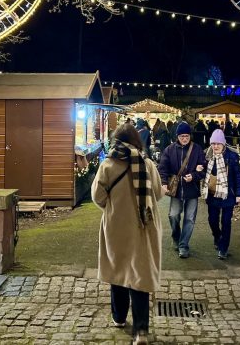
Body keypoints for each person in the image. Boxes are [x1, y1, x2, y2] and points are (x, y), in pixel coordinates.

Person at [91, 123, 163, 345]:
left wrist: (113, 207)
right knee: (139, 275)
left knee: (118, 269)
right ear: (137, 140)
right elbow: (158, 193)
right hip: (143, 226)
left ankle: (119, 317)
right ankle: (141, 330)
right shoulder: (147, 164)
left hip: (116, 225)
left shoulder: (108, 165)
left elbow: (97, 196)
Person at [158, 121, 206, 258]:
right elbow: (162, 167)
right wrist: (164, 182)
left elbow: (204, 168)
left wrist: (195, 176)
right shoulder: (169, 149)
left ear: (190, 136)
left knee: (190, 219)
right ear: (177, 136)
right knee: (173, 215)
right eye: (181, 136)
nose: (184, 138)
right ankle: (176, 237)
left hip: (192, 189)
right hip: (176, 190)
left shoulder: (197, 149)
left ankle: (183, 245)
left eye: (186, 136)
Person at [201, 129, 240, 259]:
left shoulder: (232, 157)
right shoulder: (207, 157)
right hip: (212, 193)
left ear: (223, 144)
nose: (215, 146)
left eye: (218, 144)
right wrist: (199, 170)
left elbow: (238, 176)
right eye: (213, 143)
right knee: (212, 220)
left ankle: (223, 248)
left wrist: (239, 193)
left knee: (226, 221)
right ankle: (217, 236)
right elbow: (204, 174)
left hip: (228, 194)